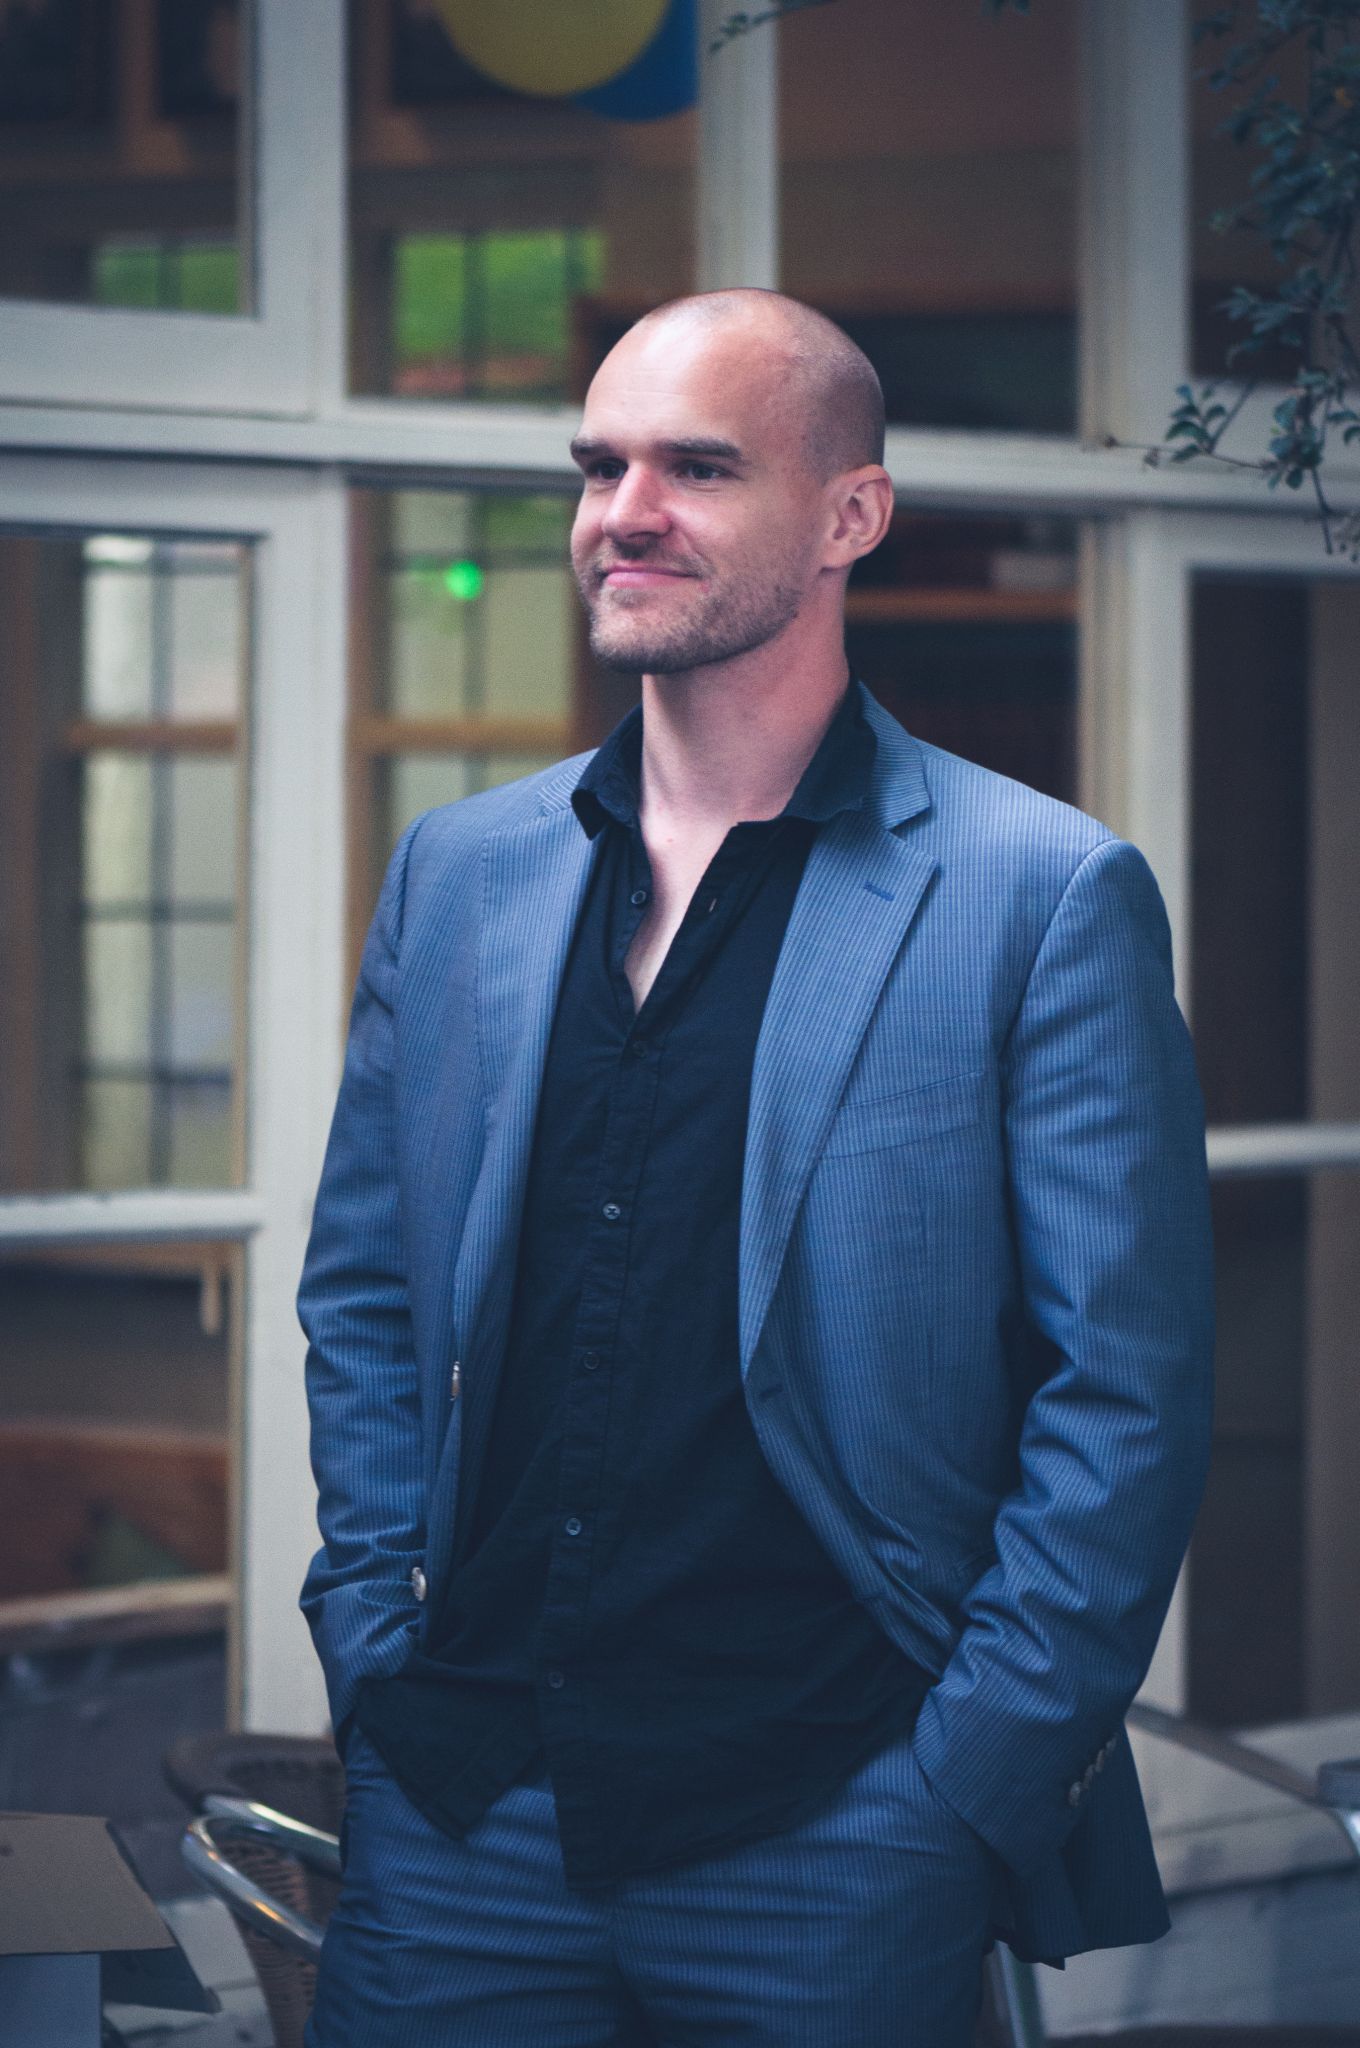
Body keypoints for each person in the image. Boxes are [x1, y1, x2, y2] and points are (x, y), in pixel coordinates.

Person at [298, 289, 1215, 2046]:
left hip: (838, 1819)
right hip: (463, 1801)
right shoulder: (460, 872)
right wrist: (367, 1636)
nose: (624, 513)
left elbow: (1126, 1392)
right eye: (600, 467)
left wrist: (965, 1780)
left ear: (850, 516)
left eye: (698, 469)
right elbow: (364, 1300)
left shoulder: (1041, 895)